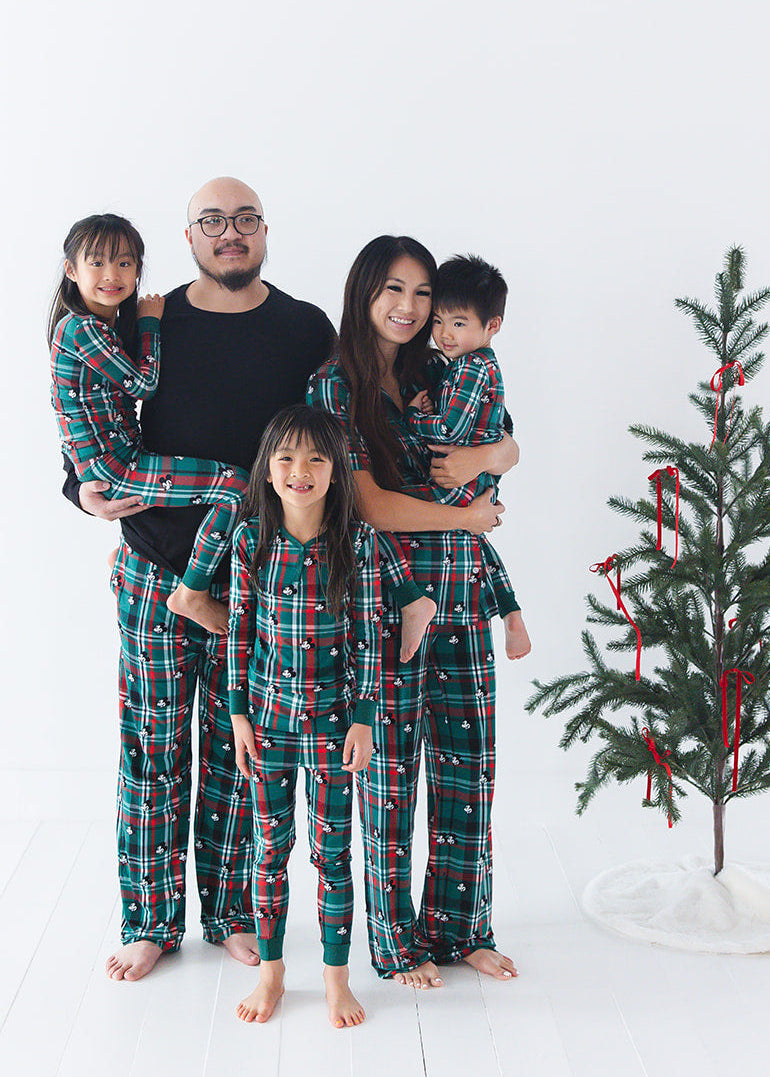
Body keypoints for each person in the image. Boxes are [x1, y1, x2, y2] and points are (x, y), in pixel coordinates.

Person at [61, 177, 336, 982]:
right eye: (212, 220)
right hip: (154, 566)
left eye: (245, 218)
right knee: (151, 746)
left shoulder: (303, 327)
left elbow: (336, 436)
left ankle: (232, 912)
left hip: (255, 582)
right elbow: (87, 417)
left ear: (264, 231)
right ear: (188, 238)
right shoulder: (146, 319)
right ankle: (150, 920)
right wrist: (80, 490)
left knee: (234, 748)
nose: (230, 232)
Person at [307, 235, 520, 989]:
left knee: (470, 771)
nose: (409, 306)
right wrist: (467, 514)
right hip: (388, 605)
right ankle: (397, 945)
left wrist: (489, 459)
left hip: (463, 592)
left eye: (423, 293)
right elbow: (365, 503)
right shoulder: (335, 386)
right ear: (364, 293)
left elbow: (506, 443)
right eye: (393, 289)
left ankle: (463, 929)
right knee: (391, 779)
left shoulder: (445, 367)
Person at [228, 405, 380, 1027]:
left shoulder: (358, 543)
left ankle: (336, 981)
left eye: (317, 458)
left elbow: (370, 637)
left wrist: (364, 718)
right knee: (268, 851)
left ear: (336, 471)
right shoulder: (250, 541)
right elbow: (238, 633)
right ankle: (272, 976)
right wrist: (239, 714)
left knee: (333, 857)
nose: (301, 470)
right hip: (266, 725)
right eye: (287, 457)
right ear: (267, 470)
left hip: (334, 727)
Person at [50, 213, 250, 635]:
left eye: (124, 263)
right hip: (116, 466)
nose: (112, 274)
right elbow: (142, 385)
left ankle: (124, 560)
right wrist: (150, 323)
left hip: (119, 460)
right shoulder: (81, 328)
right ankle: (192, 593)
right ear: (71, 269)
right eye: (97, 262)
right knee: (236, 487)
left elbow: (75, 410)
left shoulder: (101, 326)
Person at [405, 253, 531, 661]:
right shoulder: (461, 365)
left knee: (393, 518)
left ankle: (412, 602)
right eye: (438, 321)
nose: (444, 334)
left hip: (459, 478)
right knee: (471, 539)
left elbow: (449, 431)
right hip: (474, 479)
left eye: (458, 324)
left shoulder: (471, 368)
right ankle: (510, 611)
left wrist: (414, 419)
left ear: (492, 325)